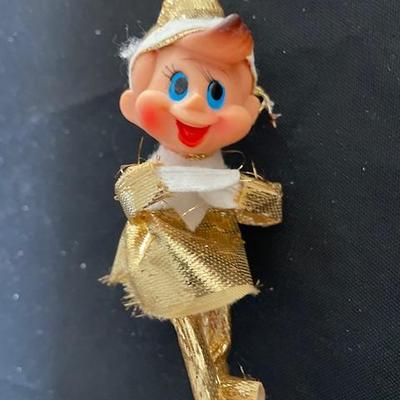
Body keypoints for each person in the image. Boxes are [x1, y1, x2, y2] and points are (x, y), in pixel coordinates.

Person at [103, 1, 282, 399]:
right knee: (192, 329)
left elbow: (268, 210)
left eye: (217, 93)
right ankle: (211, 390)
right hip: (167, 254)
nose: (196, 105)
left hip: (215, 252)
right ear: (135, 100)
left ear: (249, 109)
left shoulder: (221, 173)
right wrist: (171, 182)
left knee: (217, 327)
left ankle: (219, 384)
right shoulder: (154, 170)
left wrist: (233, 191)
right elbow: (132, 197)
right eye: (178, 85)